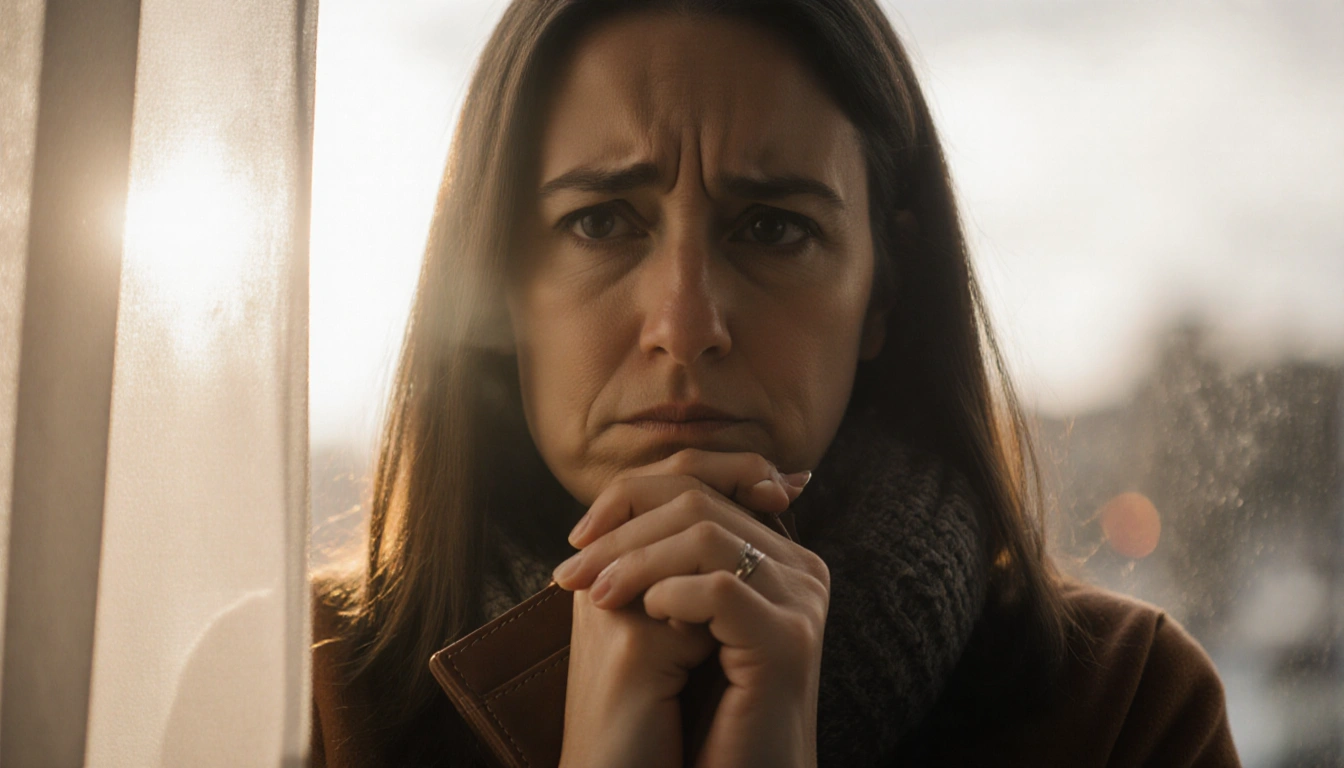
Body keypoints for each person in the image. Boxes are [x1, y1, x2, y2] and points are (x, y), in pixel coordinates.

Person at [310, 1, 1241, 766]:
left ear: (884, 288)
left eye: (771, 229)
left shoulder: (1126, 708)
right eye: (600, 223)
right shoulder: (293, 687)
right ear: (498, 281)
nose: (685, 326)